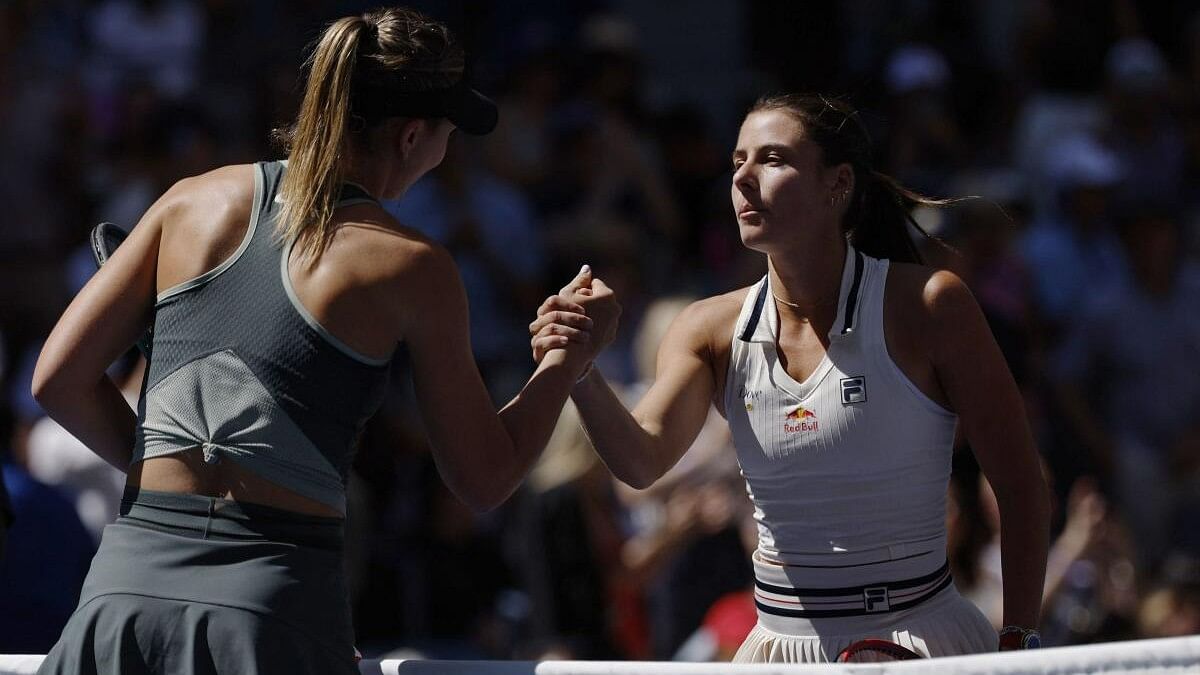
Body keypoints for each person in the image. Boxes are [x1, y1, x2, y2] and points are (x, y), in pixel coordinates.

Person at [31, 7, 615, 674]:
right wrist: (567, 359)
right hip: (273, 608)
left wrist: (153, 468)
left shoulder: (189, 199)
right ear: (413, 137)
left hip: (121, 595)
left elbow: (57, 379)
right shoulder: (413, 266)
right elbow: (484, 478)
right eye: (451, 133)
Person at [531, 94, 1050, 662]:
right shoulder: (707, 328)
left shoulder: (931, 304)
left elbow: (1021, 483)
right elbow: (640, 461)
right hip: (776, 652)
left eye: (772, 159)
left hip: (924, 641)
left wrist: (1019, 641)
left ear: (838, 184)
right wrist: (581, 368)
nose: (744, 179)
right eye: (736, 162)